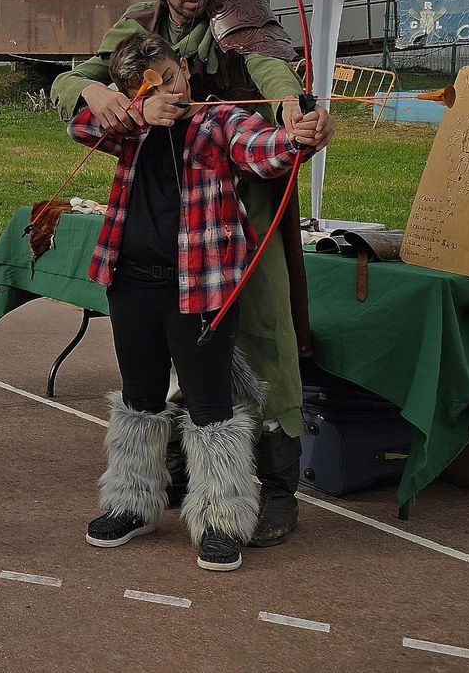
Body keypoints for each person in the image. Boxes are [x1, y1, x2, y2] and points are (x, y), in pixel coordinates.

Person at [51, 0, 333, 548]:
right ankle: (149, 487)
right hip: (148, 251)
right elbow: (74, 95)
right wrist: (99, 92)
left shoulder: (237, 17)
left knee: (264, 338)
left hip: (233, 217)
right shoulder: (139, 32)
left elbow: (269, 93)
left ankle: (267, 491)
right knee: (144, 382)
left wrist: (295, 119)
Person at [74, 33, 316, 572]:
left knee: (210, 407)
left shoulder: (217, 121)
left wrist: (300, 135)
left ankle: (221, 521)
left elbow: (266, 151)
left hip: (200, 287)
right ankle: (131, 504)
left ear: (185, 68)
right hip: (130, 281)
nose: (169, 91)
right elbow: (83, 125)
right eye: (151, 86)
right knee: (139, 398)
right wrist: (138, 110)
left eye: (171, 77)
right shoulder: (128, 128)